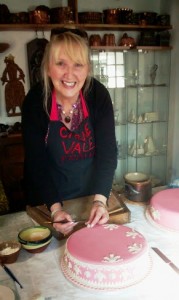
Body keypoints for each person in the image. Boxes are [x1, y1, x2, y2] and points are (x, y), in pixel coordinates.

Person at [21, 28, 117, 236]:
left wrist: (100, 201)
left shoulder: (98, 95)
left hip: (90, 199)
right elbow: (36, 162)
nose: (69, 74)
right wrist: (56, 209)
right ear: (48, 68)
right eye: (61, 63)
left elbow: (108, 154)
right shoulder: (35, 102)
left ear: (87, 69)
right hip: (47, 202)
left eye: (78, 65)